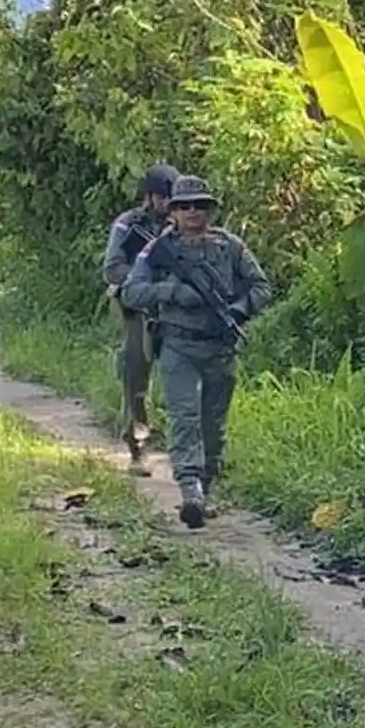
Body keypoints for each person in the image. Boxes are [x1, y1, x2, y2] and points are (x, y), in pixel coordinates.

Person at [120, 175, 272, 528]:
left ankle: (208, 488)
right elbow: (131, 291)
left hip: (219, 347)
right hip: (178, 345)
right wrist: (171, 292)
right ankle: (190, 491)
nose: (193, 212)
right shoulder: (158, 250)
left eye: (200, 205)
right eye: (185, 206)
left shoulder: (230, 247)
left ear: (210, 210)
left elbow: (261, 286)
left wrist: (237, 310)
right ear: (172, 210)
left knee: (213, 425)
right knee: (184, 418)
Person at [102, 163, 179, 476]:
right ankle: (138, 446)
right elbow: (113, 267)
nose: (166, 205)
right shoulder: (128, 225)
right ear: (150, 197)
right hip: (137, 309)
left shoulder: (179, 228)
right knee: (136, 374)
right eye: (162, 198)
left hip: (173, 308)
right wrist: (142, 284)